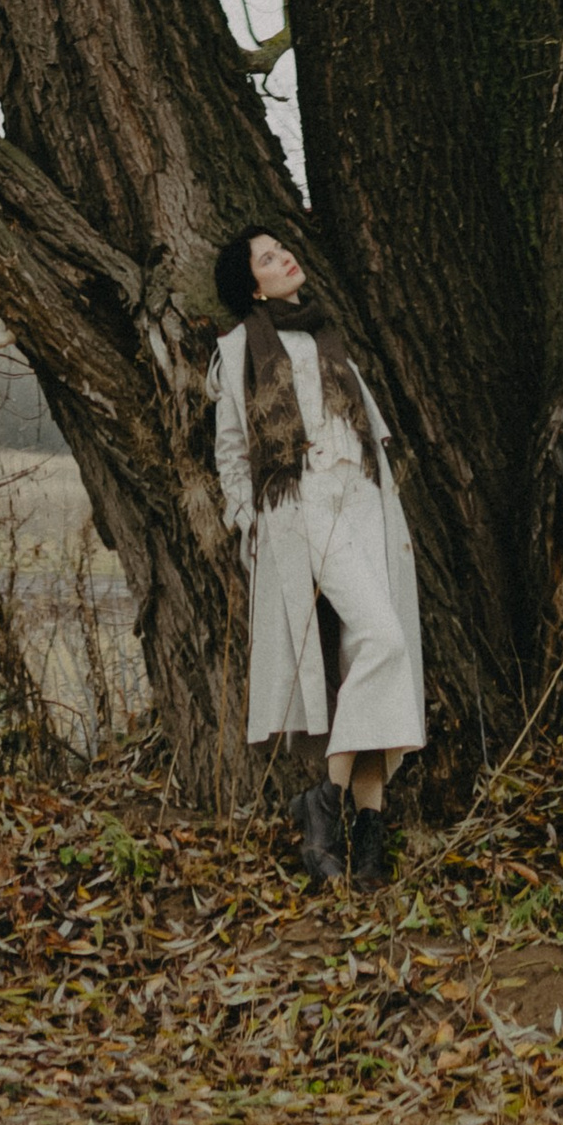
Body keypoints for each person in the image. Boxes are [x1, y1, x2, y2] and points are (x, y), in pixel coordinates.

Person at [210, 224, 425, 887]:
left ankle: (364, 839)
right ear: (252, 284)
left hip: (361, 506)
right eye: (268, 257)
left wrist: (390, 518)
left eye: (283, 249)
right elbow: (232, 453)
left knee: (371, 659)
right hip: (301, 512)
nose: (284, 258)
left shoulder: (329, 338)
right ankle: (324, 800)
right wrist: (256, 527)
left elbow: (370, 439)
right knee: (383, 641)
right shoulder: (239, 347)